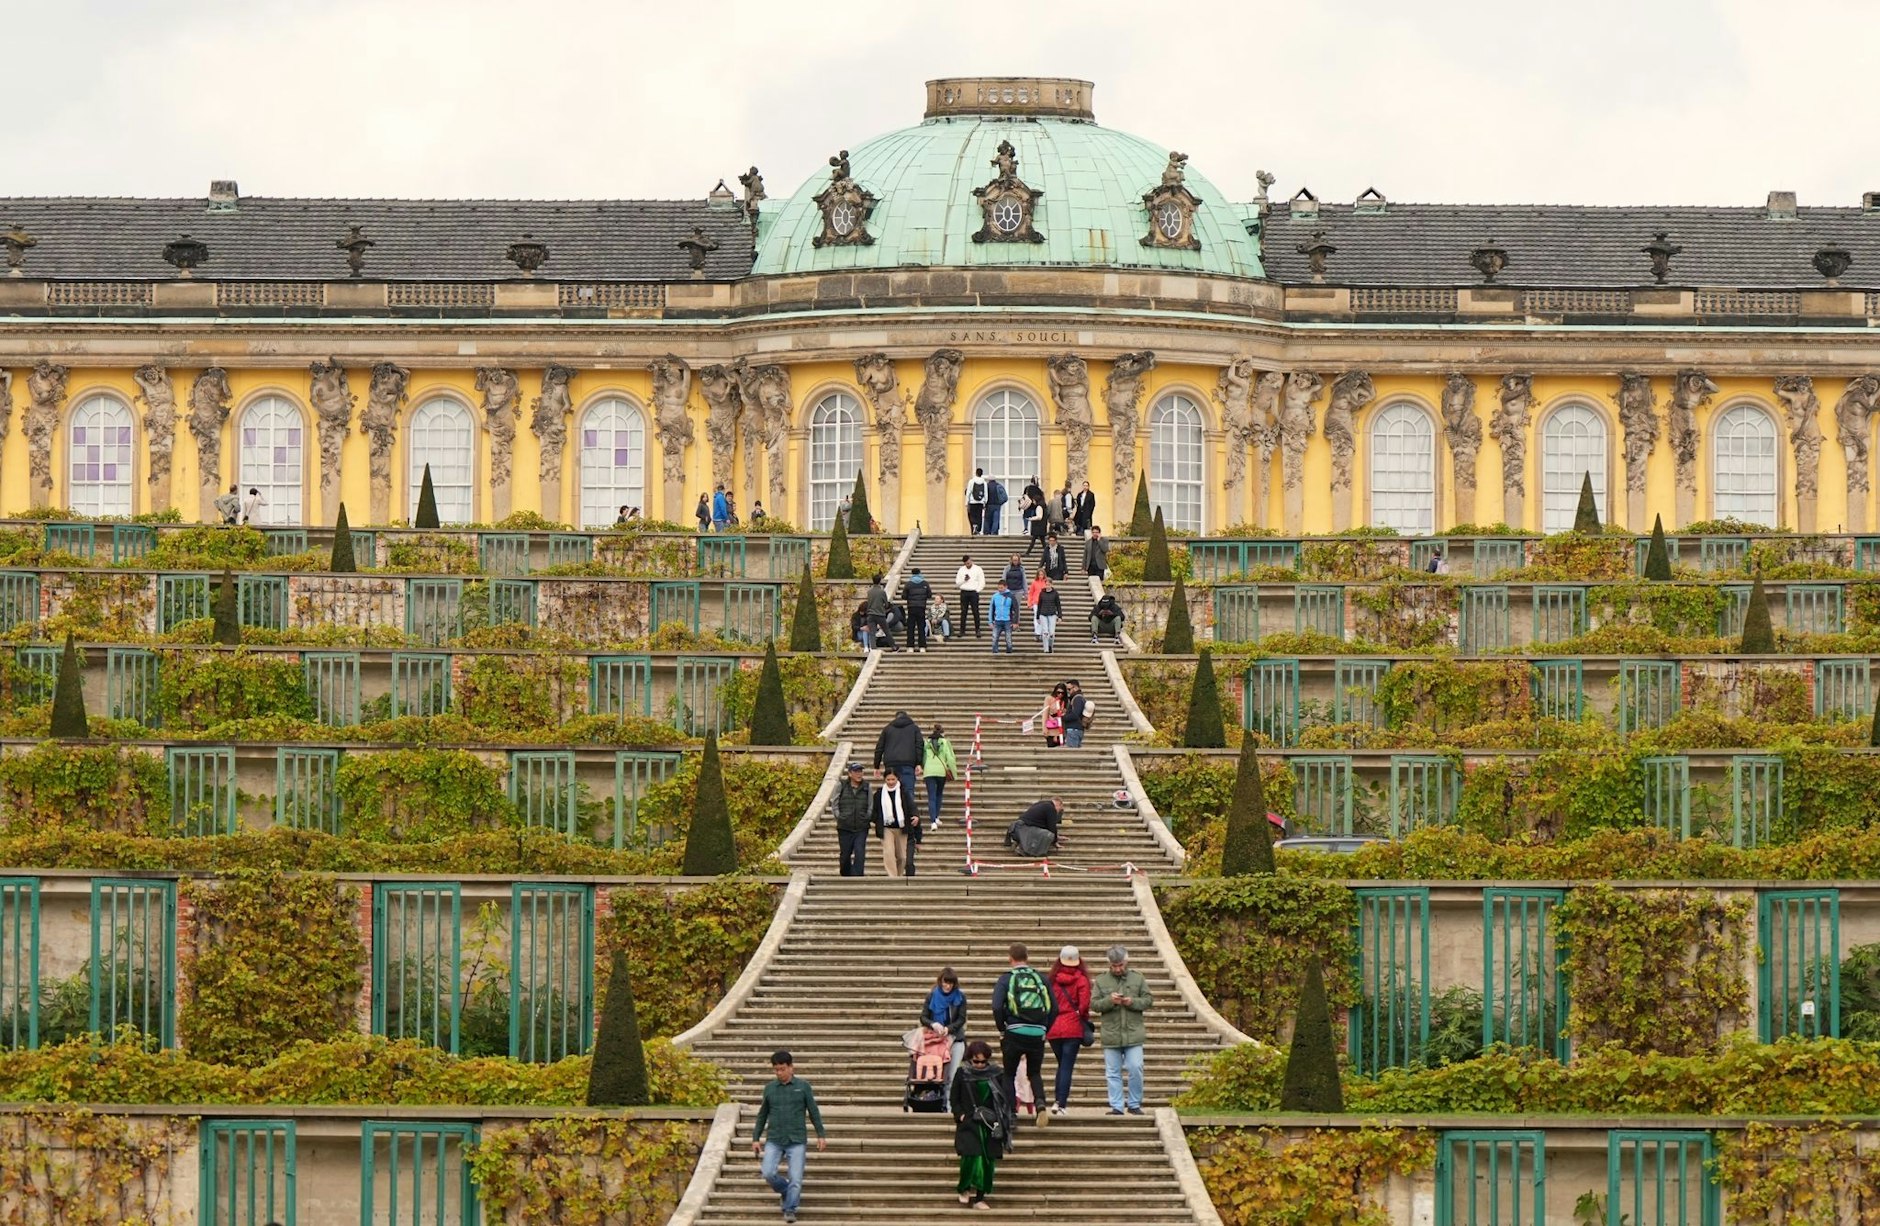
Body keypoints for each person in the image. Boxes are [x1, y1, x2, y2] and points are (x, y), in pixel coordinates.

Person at [751, 1049, 827, 1224]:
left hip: (797, 1139)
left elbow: (813, 1112)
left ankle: (790, 1209)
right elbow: (762, 1115)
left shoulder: (803, 1087)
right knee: (768, 1172)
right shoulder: (770, 1089)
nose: (779, 1073)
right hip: (775, 1138)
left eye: (782, 1069)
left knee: (796, 1178)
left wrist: (821, 1135)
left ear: (791, 1067)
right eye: (776, 1069)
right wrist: (755, 1138)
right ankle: (785, 1191)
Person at [991, 944, 1053, 1129]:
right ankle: (1040, 1104)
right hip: (1037, 1032)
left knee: (1009, 1073)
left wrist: (1002, 1028)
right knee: (1034, 1072)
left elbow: (996, 1006)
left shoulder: (1006, 979)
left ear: (1010, 958)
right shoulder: (1040, 978)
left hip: (1014, 1031)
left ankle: (1011, 1114)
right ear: (1027, 957)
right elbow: (1054, 1007)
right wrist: (1044, 1028)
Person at [1092, 946, 1154, 1116]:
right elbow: (1094, 1005)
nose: (1118, 969)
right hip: (1111, 1033)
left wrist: (1132, 1002)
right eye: (1114, 966)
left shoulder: (1138, 978)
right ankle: (1117, 1106)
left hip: (1133, 1032)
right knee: (1112, 1072)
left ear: (1126, 962)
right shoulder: (1101, 980)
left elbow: (1148, 1000)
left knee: (1136, 1068)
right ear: (1109, 964)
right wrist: (1109, 1001)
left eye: (1120, 965)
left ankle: (1134, 1103)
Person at [950, 1040, 1011, 1209]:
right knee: (970, 1157)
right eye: (976, 1061)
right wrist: (959, 1114)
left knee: (987, 1161)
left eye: (983, 1061)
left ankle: (980, 1197)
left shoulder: (996, 1073)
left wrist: (1003, 1118)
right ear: (970, 1059)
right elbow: (954, 1096)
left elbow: (1004, 1097)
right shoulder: (962, 1073)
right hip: (969, 1122)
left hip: (990, 1123)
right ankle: (964, 1188)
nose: (979, 1065)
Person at [1044, 945, 1093, 1116]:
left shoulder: (1052, 980)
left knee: (1061, 1064)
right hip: (1072, 1026)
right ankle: (1060, 1102)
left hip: (1054, 1027)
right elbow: (1084, 1005)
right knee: (1066, 1066)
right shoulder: (1081, 980)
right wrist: (1082, 1017)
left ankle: (1057, 1100)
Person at [922, 967, 968, 1108]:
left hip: (955, 1039)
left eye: (950, 983)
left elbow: (961, 1019)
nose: (947, 986)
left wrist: (949, 1029)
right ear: (940, 981)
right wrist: (933, 1024)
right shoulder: (932, 996)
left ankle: (950, 1105)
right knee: (936, 1074)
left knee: (952, 1074)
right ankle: (937, 1102)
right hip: (935, 1041)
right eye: (945, 982)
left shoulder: (960, 997)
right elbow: (924, 1017)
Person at [870, 768, 917, 878]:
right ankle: (893, 877)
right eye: (888, 779)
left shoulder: (903, 792)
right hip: (886, 828)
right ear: (884, 779)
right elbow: (874, 810)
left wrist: (915, 815)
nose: (891, 782)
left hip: (901, 827)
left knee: (902, 856)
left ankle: (899, 875)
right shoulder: (879, 794)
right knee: (889, 853)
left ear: (897, 779)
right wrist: (877, 819)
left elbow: (911, 806)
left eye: (893, 779)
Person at [833, 761, 871, 876]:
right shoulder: (842, 785)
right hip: (845, 826)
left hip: (861, 826)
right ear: (850, 774)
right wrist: (839, 816)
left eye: (860, 771)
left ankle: (857, 876)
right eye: (856, 771)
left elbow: (870, 804)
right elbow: (835, 803)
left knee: (860, 852)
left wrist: (867, 817)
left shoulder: (866, 787)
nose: (859, 774)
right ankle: (846, 875)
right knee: (845, 854)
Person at [874, 709, 924, 797]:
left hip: (891, 764)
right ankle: (908, 806)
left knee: (892, 790)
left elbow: (879, 747)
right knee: (908, 791)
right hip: (908, 764)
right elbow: (919, 745)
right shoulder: (914, 728)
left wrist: (876, 766)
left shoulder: (887, 729)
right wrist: (919, 763)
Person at [922, 723, 958, 830]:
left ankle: (933, 821)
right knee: (939, 794)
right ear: (942, 733)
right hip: (941, 771)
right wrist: (954, 773)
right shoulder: (945, 742)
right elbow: (950, 759)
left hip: (929, 771)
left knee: (931, 796)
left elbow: (923, 758)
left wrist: (924, 767)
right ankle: (936, 816)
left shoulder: (926, 742)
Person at [903, 567, 933, 653]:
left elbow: (904, 596)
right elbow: (929, 595)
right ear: (920, 573)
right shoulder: (925, 583)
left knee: (911, 628)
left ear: (912, 574)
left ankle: (910, 646)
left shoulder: (908, 584)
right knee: (921, 627)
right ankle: (922, 646)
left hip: (911, 608)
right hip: (921, 608)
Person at [956, 555, 986, 637]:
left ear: (971, 560)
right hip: (964, 592)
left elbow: (982, 581)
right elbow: (957, 583)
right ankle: (962, 630)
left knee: (975, 611)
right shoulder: (961, 570)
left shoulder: (978, 569)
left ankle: (977, 629)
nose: (967, 564)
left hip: (973, 592)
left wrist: (977, 590)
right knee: (963, 611)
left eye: (968, 562)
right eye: (966, 563)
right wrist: (964, 580)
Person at [1034, 683, 1068, 749]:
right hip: (1051, 729)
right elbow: (1045, 714)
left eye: (1062, 693)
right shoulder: (1049, 699)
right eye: (1058, 692)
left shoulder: (1064, 701)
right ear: (1055, 691)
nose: (1060, 694)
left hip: (1061, 730)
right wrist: (1044, 728)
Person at [1034, 575, 1061, 654]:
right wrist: (1037, 616)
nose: (1047, 586)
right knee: (1045, 632)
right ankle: (1045, 649)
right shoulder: (1042, 593)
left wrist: (1060, 616)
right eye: (1046, 584)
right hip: (1043, 614)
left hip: (1052, 614)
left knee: (1051, 632)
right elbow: (1039, 605)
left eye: (1049, 584)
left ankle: (1050, 646)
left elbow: (1058, 605)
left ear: (1051, 584)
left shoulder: (1055, 593)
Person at [864, 573, 891, 652]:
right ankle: (893, 646)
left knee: (872, 632)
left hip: (871, 613)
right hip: (880, 614)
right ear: (880, 581)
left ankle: (873, 648)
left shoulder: (869, 592)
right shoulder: (882, 592)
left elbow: (869, 602)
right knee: (886, 630)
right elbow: (886, 604)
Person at [1063, 680, 1093, 750]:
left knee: (1072, 753)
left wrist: (1063, 717)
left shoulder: (1077, 698)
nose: (1068, 692)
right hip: (1076, 730)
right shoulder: (1080, 698)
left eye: (1069, 689)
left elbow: (1075, 714)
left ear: (1075, 688)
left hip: (1073, 730)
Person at [988, 585, 1017, 655]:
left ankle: (1009, 651)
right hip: (997, 620)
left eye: (1001, 588)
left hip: (1007, 620)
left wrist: (1015, 622)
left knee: (1008, 638)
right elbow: (991, 609)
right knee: (995, 638)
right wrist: (990, 621)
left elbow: (1016, 609)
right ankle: (995, 652)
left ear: (1006, 587)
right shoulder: (995, 596)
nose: (1000, 589)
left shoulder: (1011, 596)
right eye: (999, 588)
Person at [966, 468, 989, 535]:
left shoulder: (971, 481)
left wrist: (967, 502)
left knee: (972, 516)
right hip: (980, 502)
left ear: (976, 473)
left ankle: (974, 526)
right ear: (981, 474)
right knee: (979, 516)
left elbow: (968, 492)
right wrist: (985, 502)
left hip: (972, 502)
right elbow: (986, 494)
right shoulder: (984, 483)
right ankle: (977, 528)